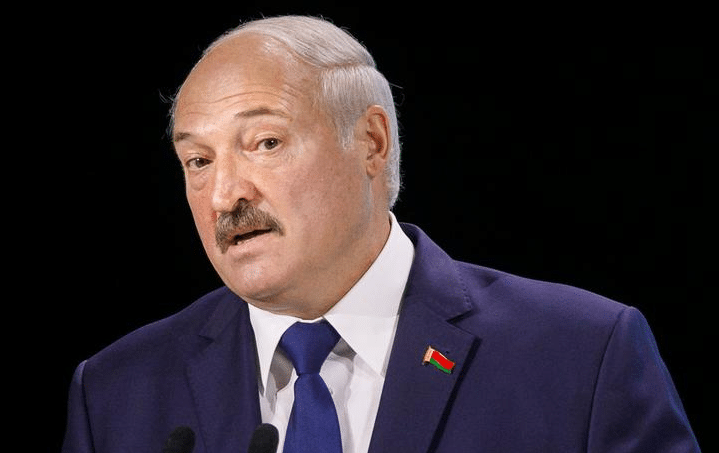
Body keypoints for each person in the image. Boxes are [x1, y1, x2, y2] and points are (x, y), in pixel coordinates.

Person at [62, 15, 700, 453]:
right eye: (198, 161)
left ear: (370, 142)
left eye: (265, 143)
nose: (226, 194)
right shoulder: (119, 394)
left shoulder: (579, 357)